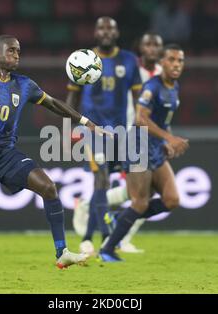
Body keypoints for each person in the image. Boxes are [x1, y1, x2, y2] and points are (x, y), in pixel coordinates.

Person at [0, 35, 110, 286]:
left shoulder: (24, 85)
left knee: (48, 187)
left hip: (7, 155)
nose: (17, 55)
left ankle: (62, 252)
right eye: (11, 50)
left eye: (19, 51)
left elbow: (54, 104)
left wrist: (87, 122)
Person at [73, 33, 165, 253]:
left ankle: (116, 231)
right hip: (124, 131)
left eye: (156, 45)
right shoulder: (130, 67)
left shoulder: (162, 73)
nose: (152, 49)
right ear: (139, 49)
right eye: (148, 44)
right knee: (110, 183)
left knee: (145, 191)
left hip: (147, 136)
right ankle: (97, 230)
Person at [100, 44, 190, 262]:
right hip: (137, 146)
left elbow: (162, 122)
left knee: (172, 200)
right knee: (140, 202)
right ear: (162, 63)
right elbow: (140, 118)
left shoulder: (174, 87)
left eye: (180, 60)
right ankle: (107, 250)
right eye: (171, 60)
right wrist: (169, 138)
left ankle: (119, 218)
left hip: (155, 147)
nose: (176, 64)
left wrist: (166, 140)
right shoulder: (153, 86)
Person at [66, 17, 142, 256]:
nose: (106, 32)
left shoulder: (129, 60)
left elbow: (139, 100)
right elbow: (72, 99)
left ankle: (89, 230)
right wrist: (68, 128)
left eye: (110, 28)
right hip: (93, 131)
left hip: (121, 132)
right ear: (95, 32)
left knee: (129, 188)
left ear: (117, 32)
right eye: (102, 28)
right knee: (101, 181)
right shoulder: (83, 59)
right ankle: (100, 238)